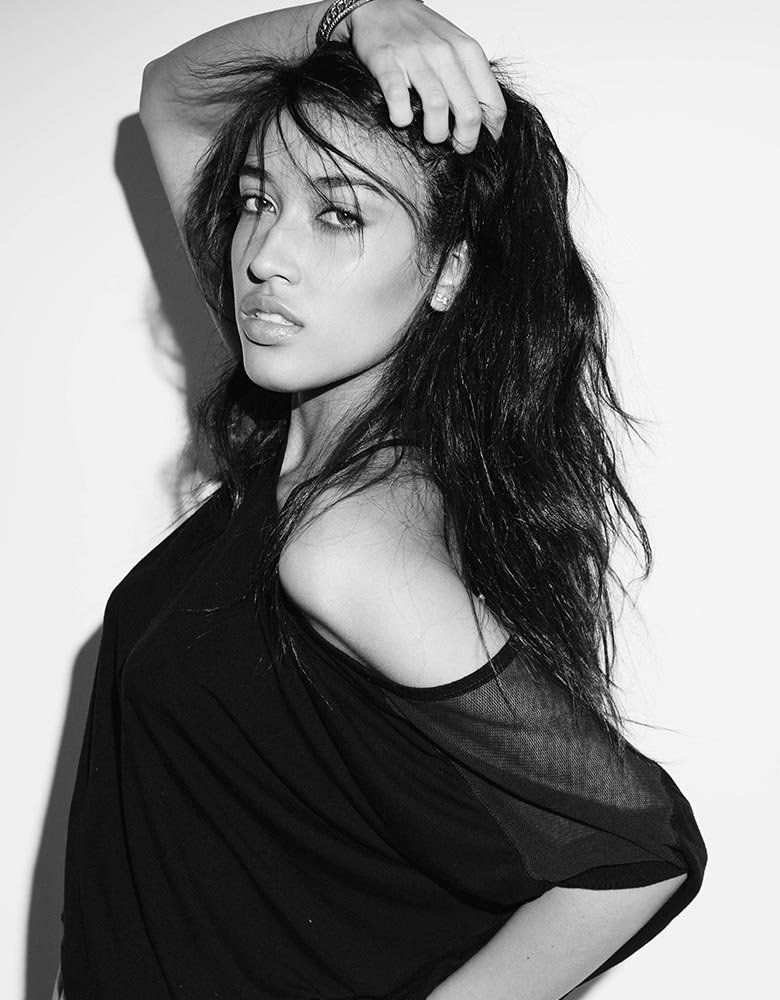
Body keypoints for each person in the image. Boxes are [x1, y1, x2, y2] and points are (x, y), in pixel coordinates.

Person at [57, 0, 707, 997]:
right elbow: (172, 98)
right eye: (257, 198)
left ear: (448, 269)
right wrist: (360, 16)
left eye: (339, 214)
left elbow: (642, 851)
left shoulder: (347, 540)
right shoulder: (307, 439)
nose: (264, 254)